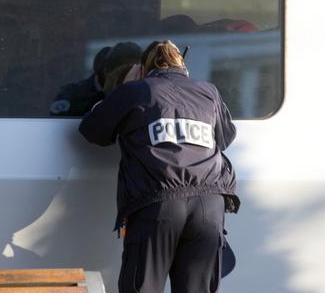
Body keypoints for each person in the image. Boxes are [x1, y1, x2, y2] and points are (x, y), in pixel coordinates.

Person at [79, 40, 240, 293]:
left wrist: (125, 88)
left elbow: (92, 130)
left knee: (143, 286)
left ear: (143, 69)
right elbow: (226, 136)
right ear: (182, 65)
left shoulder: (135, 91)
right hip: (210, 205)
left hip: (157, 204)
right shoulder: (208, 91)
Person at [50, 42, 142, 116]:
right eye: (123, 72)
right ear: (105, 71)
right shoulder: (73, 95)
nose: (131, 78)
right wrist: (108, 95)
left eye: (135, 72)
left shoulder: (141, 92)